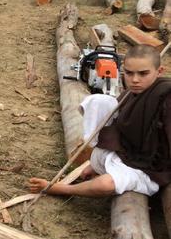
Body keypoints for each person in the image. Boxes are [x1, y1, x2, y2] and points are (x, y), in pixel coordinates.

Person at [28, 44, 171, 197]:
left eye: (143, 74)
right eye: (129, 73)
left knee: (105, 184)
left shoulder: (165, 95)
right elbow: (123, 127)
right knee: (98, 102)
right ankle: (95, 162)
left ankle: (63, 189)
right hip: (125, 154)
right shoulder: (136, 91)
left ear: (159, 71)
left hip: (148, 168)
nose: (135, 80)